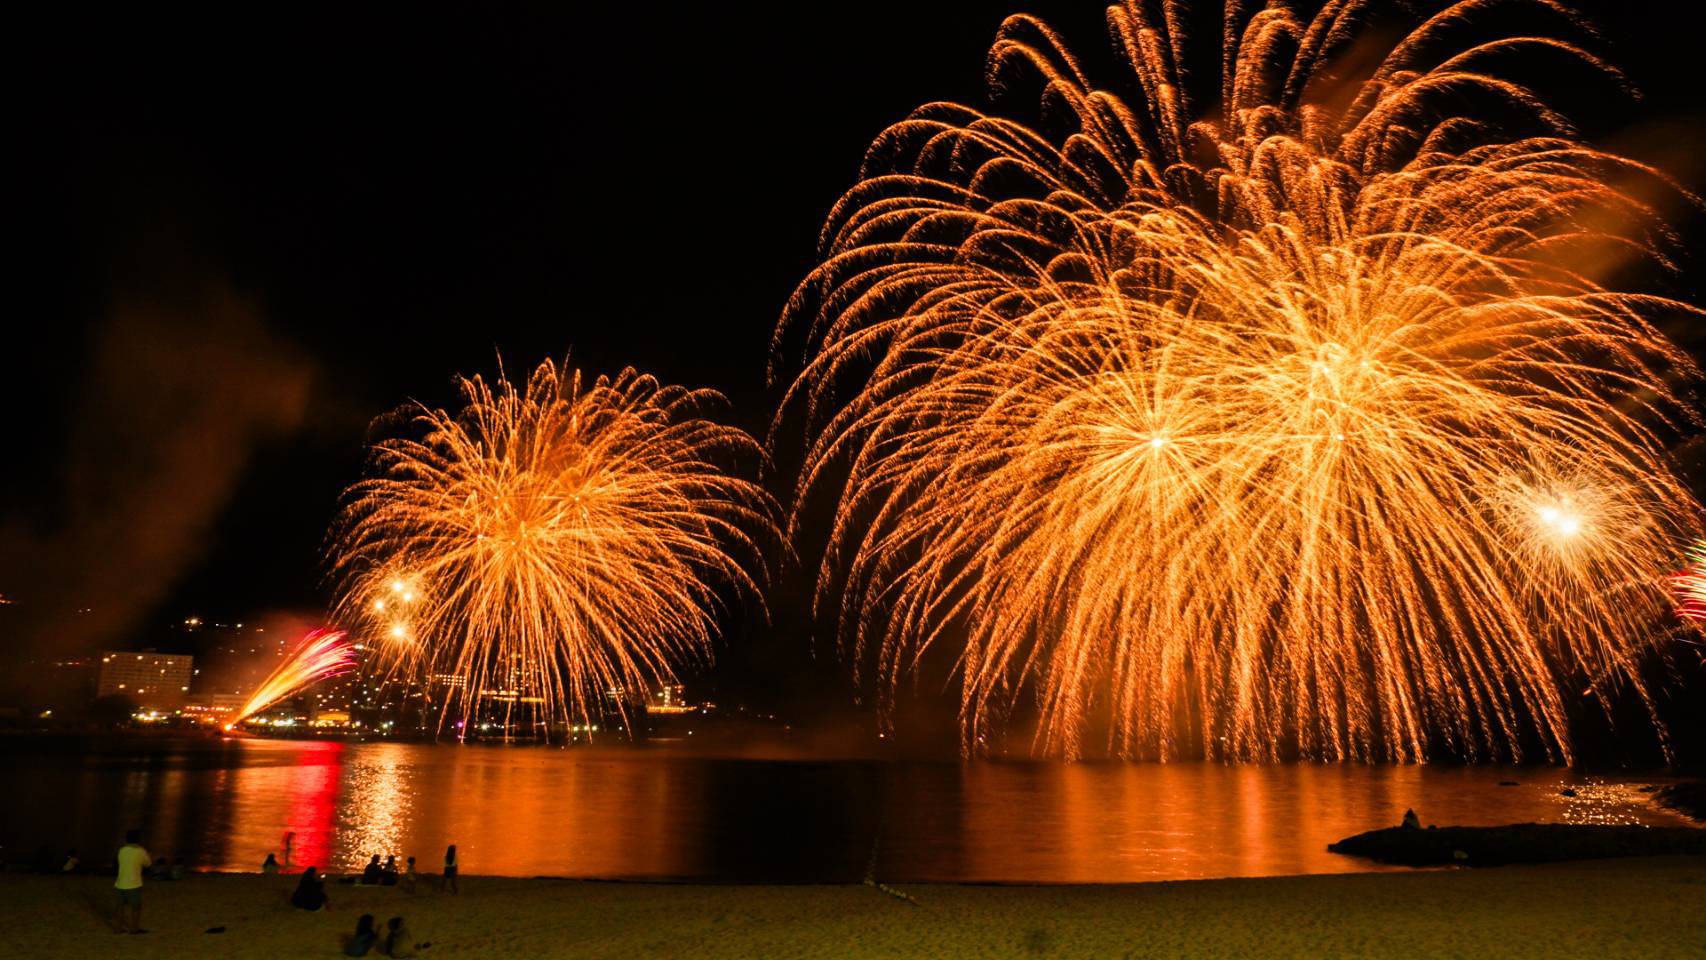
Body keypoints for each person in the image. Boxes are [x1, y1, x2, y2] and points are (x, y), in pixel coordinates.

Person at [114, 829, 150, 934]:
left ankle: (118, 928)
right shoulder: (141, 851)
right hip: (134, 884)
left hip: (120, 883)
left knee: (120, 908)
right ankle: (134, 929)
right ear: (138, 839)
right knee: (136, 908)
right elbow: (148, 863)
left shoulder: (122, 850)